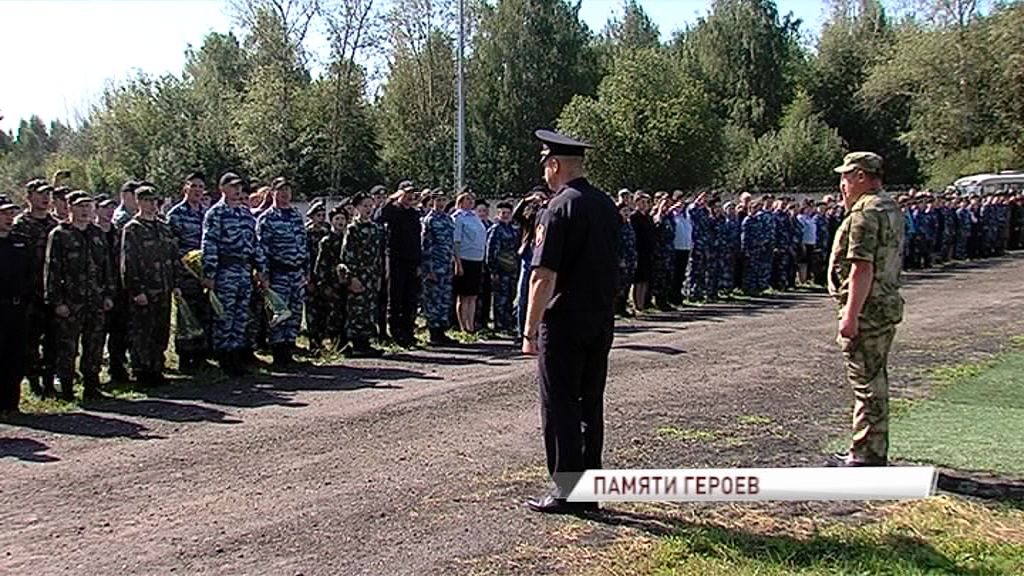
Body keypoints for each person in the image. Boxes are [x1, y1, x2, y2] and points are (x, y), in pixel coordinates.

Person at [523, 129, 619, 514]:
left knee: (560, 404)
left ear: (555, 165)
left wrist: (529, 330)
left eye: (547, 164)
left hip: (564, 321)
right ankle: (588, 488)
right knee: (589, 404)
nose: (546, 173)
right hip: (600, 316)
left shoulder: (559, 207)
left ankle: (567, 491)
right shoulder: (605, 204)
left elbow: (543, 275)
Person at [826, 152, 904, 468]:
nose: (842, 185)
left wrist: (850, 315)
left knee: (867, 384)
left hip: (867, 310)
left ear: (860, 176)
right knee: (875, 379)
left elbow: (861, 267)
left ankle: (866, 455)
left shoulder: (865, 214)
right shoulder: (890, 207)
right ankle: (870, 449)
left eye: (845, 177)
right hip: (884, 305)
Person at [45, 193, 115, 400]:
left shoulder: (97, 234)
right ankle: (67, 388)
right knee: (68, 346)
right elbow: (52, 270)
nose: (85, 210)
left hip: (95, 300)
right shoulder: (60, 234)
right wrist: (56, 301)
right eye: (80, 206)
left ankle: (92, 385)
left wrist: (109, 294)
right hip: (70, 301)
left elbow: (107, 267)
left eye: (88, 206)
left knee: (94, 345)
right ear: (70, 208)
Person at [201, 172, 268, 376]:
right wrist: (209, 273)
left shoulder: (245, 214)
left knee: (241, 315)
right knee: (225, 315)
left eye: (239, 186)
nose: (237, 190)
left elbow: (255, 244)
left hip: (243, 270)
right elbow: (209, 244)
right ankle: (224, 356)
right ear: (222, 189)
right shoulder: (215, 214)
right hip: (225, 270)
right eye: (232, 186)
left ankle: (237, 354)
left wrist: (261, 269)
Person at [121, 186, 178, 386]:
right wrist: (136, 290)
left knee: (160, 331)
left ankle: (156, 368)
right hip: (145, 290)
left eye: (154, 201)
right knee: (141, 332)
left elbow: (172, 257)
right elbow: (129, 263)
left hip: (163, 288)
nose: (152, 205)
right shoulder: (132, 228)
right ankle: (141, 371)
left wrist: (175, 284)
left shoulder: (163, 227)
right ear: (138, 202)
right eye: (147, 200)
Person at [13, 179, 60, 398]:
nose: (45, 199)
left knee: (54, 339)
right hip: (28, 293)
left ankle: (49, 381)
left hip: (52, 293)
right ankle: (33, 382)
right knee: (30, 340)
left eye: (48, 195)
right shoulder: (18, 225)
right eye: (41, 194)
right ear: (29, 196)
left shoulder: (56, 225)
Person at [256, 177, 309, 365]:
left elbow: (304, 244)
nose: (285, 194)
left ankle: (289, 347)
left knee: (295, 312)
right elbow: (262, 249)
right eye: (280, 190)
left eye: (287, 190)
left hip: (296, 272)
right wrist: (264, 274)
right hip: (278, 273)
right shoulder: (267, 218)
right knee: (279, 313)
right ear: (272, 193)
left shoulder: (296, 216)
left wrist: (306, 269)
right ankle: (279, 353)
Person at [166, 171, 210, 370]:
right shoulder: (176, 214)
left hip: (204, 274)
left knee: (203, 313)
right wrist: (176, 277)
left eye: (201, 187)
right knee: (186, 315)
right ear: (185, 188)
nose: (198, 190)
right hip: (185, 273)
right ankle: (185, 357)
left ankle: (201, 355)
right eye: (194, 186)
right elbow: (171, 248)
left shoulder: (207, 213)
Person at [375, 181, 423, 347]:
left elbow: (417, 239)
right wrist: (393, 198)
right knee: (395, 298)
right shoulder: (393, 211)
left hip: (412, 260)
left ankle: (408, 332)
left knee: (410, 299)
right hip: (395, 259)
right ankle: (396, 334)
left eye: (412, 194)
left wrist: (418, 263)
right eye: (407, 194)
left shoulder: (414, 213)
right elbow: (379, 216)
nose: (410, 197)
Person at [340, 193, 384, 358]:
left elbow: (378, 254)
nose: (368, 209)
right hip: (358, 274)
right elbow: (346, 257)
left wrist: (378, 275)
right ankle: (357, 344)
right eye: (365, 206)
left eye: (370, 206)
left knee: (369, 309)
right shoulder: (352, 229)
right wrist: (352, 277)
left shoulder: (375, 228)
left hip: (371, 274)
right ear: (357, 208)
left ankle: (366, 342)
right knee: (357, 309)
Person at [0, 195, 31, 413]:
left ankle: (11, 404)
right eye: (3, 213)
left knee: (16, 355)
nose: (9, 218)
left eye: (11, 213)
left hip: (18, 307)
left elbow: (29, 274)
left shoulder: (20, 241)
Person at [420, 189, 457, 345]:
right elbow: (425, 246)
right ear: (432, 201)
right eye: (438, 200)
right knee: (433, 299)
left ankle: (442, 331)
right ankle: (434, 332)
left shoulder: (448, 219)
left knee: (445, 298)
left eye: (443, 200)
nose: (441, 204)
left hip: (446, 265)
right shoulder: (429, 220)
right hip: (434, 265)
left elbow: (451, 243)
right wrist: (428, 269)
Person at [313, 205, 349, 350]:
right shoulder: (326, 240)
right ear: (332, 221)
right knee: (331, 314)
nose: (340, 222)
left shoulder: (349, 238)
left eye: (343, 219)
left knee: (345, 313)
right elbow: (320, 265)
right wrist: (322, 284)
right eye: (337, 219)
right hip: (331, 283)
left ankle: (344, 342)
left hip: (345, 282)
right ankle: (331, 342)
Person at [452, 192, 486, 333]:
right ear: (460, 201)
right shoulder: (458, 217)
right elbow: (456, 241)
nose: (470, 201)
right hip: (464, 259)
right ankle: (463, 326)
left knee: (473, 295)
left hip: (477, 259)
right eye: (467, 199)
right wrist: (458, 262)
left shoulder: (475, 217)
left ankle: (471, 325)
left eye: (472, 199)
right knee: (463, 295)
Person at [485, 202, 519, 334]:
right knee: (500, 299)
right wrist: (493, 270)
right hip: (500, 269)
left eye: (507, 213)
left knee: (510, 296)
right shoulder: (495, 229)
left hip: (512, 269)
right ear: (498, 214)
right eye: (502, 213)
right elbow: (491, 251)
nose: (505, 216)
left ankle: (508, 323)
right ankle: (500, 325)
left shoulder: (514, 229)